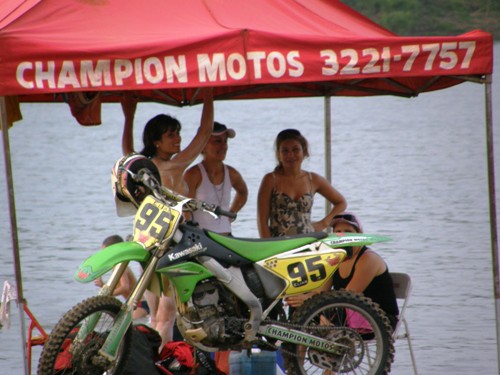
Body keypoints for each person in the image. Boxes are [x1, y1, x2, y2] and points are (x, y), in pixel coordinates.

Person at [121, 88, 214, 347]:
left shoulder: (141, 166)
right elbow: (204, 133)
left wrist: (129, 114)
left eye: (178, 132)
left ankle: (150, 362)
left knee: (155, 317)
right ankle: (158, 364)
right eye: (171, 134)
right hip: (170, 243)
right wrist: (209, 94)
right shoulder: (171, 165)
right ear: (156, 141)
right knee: (166, 316)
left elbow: (126, 150)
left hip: (147, 242)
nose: (178, 138)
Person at [285, 212, 399, 330]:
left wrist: (311, 300)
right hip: (349, 310)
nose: (342, 235)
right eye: (338, 231)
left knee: (334, 308)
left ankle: (327, 344)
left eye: (348, 231)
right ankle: (294, 347)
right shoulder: (335, 257)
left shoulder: (368, 259)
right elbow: (321, 291)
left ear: (359, 234)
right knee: (301, 305)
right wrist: (301, 298)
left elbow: (348, 295)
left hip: (380, 318)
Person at [257, 128, 347, 238]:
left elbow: (341, 203)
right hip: (278, 245)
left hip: (307, 243)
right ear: (278, 154)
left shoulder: (313, 179)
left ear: (304, 152)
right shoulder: (271, 180)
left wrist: (323, 223)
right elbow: (262, 221)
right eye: (285, 151)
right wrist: (268, 247)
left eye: (295, 150)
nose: (290, 155)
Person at [184, 121, 248, 235]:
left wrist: (231, 213)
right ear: (202, 145)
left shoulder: (232, 173)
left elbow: (243, 192)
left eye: (225, 141)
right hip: (202, 240)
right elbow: (185, 208)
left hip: (227, 238)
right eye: (218, 141)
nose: (223, 146)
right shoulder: (193, 174)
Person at [94, 235, 149, 320]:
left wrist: (107, 296)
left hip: (139, 305)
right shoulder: (117, 266)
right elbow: (120, 287)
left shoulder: (120, 266)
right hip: (134, 305)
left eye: (105, 252)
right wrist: (103, 285)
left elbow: (125, 287)